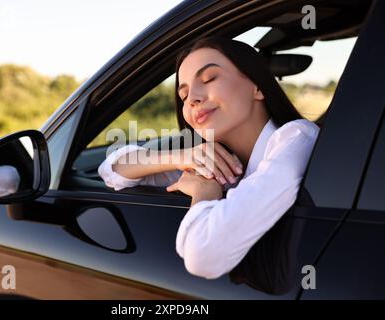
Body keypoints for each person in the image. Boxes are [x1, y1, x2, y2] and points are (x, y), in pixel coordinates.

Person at [98, 37, 319, 279]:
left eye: (209, 78)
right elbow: (113, 169)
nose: (192, 98)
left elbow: (202, 257)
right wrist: (181, 157)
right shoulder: (210, 160)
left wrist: (204, 192)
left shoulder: (297, 138)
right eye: (183, 95)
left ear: (257, 86)